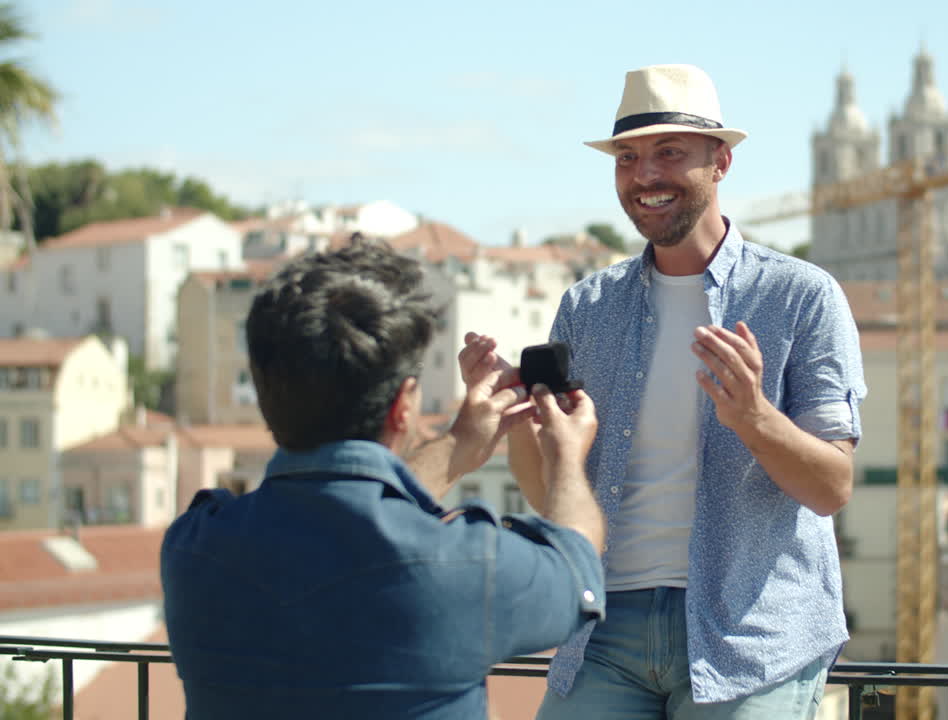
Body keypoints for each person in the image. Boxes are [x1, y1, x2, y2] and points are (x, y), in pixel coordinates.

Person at [461, 64, 867, 719]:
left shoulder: (801, 296)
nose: (645, 175)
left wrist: (754, 418)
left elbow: (832, 487)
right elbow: (548, 494)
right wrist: (522, 428)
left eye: (669, 153)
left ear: (722, 162)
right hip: (602, 628)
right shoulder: (587, 305)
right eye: (628, 157)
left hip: (748, 635)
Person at [161, 237, 606, 719]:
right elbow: (577, 563)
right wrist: (564, 455)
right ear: (404, 404)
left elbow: (336, 519)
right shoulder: (464, 565)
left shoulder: (192, 548)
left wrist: (457, 446)